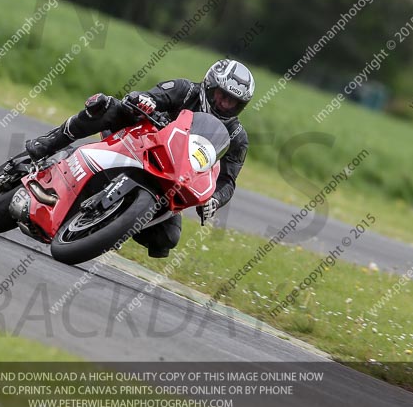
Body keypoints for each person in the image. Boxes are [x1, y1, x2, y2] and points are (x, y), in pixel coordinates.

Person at [24, 59, 254, 258]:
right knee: (105, 106)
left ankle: (110, 224)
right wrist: (146, 101)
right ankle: (49, 143)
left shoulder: (237, 137)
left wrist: (214, 200)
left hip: (172, 179)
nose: (224, 104)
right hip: (139, 143)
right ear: (210, 85)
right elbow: (148, 96)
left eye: (232, 101)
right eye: (222, 95)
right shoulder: (184, 90)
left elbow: (227, 181)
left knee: (167, 238)